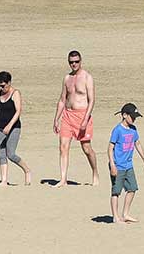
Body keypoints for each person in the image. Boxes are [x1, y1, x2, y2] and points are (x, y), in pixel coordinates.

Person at [53, 50, 99, 187]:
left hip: (82, 115)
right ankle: (63, 179)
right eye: (71, 62)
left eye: (76, 61)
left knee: (86, 148)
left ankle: (95, 172)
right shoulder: (67, 78)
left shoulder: (87, 77)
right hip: (67, 115)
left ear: (80, 61)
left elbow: (92, 100)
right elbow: (62, 99)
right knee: (63, 146)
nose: (74, 64)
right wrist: (56, 118)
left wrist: (85, 119)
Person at [108, 103, 144, 224]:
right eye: (132, 116)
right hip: (117, 165)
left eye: (135, 117)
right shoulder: (117, 130)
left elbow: (137, 144)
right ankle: (115, 217)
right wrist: (112, 165)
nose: (134, 119)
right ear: (124, 115)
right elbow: (110, 148)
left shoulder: (133, 130)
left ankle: (125, 214)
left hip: (128, 165)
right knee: (116, 192)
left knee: (132, 189)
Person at [0, 71, 31, 186]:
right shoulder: (0, 94)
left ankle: (27, 170)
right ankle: (4, 180)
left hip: (13, 128)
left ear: (9, 83)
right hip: (0, 128)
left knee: (11, 154)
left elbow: (18, 111)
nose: (1, 88)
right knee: (1, 154)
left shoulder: (15, 93)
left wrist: (9, 126)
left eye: (3, 85)